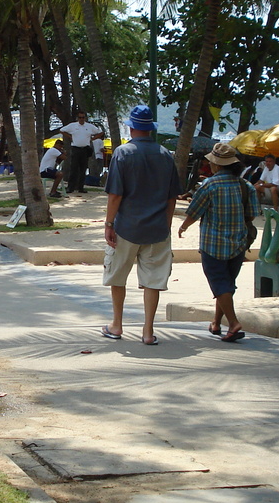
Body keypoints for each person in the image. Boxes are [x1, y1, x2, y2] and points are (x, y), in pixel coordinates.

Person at [100, 105, 181, 346]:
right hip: (157, 228)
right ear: (150, 129)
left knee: (117, 275)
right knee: (153, 280)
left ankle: (116, 325)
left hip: (127, 226)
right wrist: (165, 224)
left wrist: (108, 223)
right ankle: (148, 331)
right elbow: (171, 198)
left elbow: (115, 195)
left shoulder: (123, 153)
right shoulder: (166, 155)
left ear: (131, 127)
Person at [177, 142, 259, 343]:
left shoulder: (209, 185)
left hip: (213, 245)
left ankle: (233, 323)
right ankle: (216, 322)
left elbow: (194, 212)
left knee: (219, 284)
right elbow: (252, 215)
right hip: (238, 243)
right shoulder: (245, 186)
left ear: (217, 165)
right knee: (226, 285)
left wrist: (183, 227)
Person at [60, 109, 104, 194]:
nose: (81, 119)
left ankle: (81, 187)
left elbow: (100, 132)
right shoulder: (73, 126)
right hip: (75, 148)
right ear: (77, 118)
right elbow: (62, 130)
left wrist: (93, 139)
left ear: (85, 118)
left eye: (83, 117)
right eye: (80, 117)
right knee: (73, 169)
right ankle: (70, 187)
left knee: (83, 169)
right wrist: (70, 137)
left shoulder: (89, 126)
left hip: (85, 149)